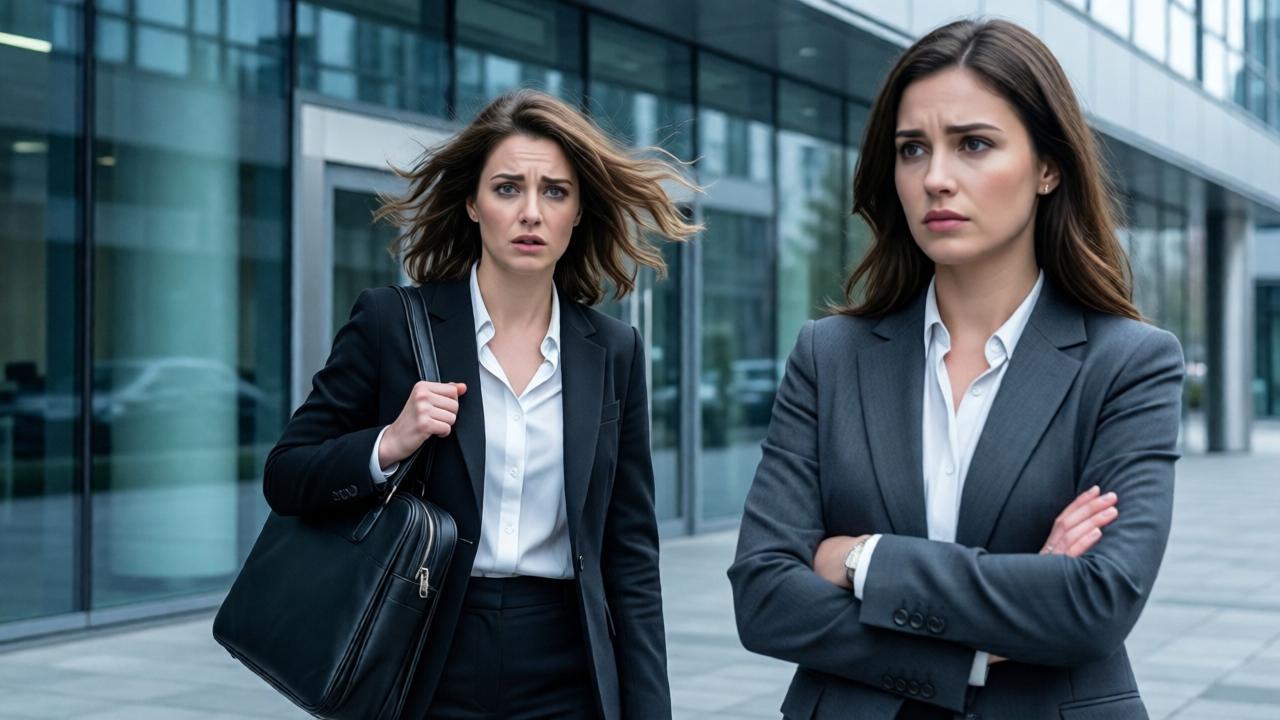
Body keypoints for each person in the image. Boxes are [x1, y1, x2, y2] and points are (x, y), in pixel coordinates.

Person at [728, 19, 1184, 720]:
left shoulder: (1129, 363)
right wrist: (981, 638)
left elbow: (1096, 604)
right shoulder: (829, 355)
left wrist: (862, 562)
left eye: (973, 144)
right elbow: (764, 598)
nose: (935, 178)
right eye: (913, 150)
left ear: (1047, 166)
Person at [263, 88, 699, 720]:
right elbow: (286, 475)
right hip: (426, 650)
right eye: (507, 189)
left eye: (554, 191)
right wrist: (390, 442)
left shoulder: (613, 351)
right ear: (471, 202)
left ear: (578, 212)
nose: (531, 212)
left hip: (567, 662)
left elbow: (629, 555)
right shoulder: (391, 324)